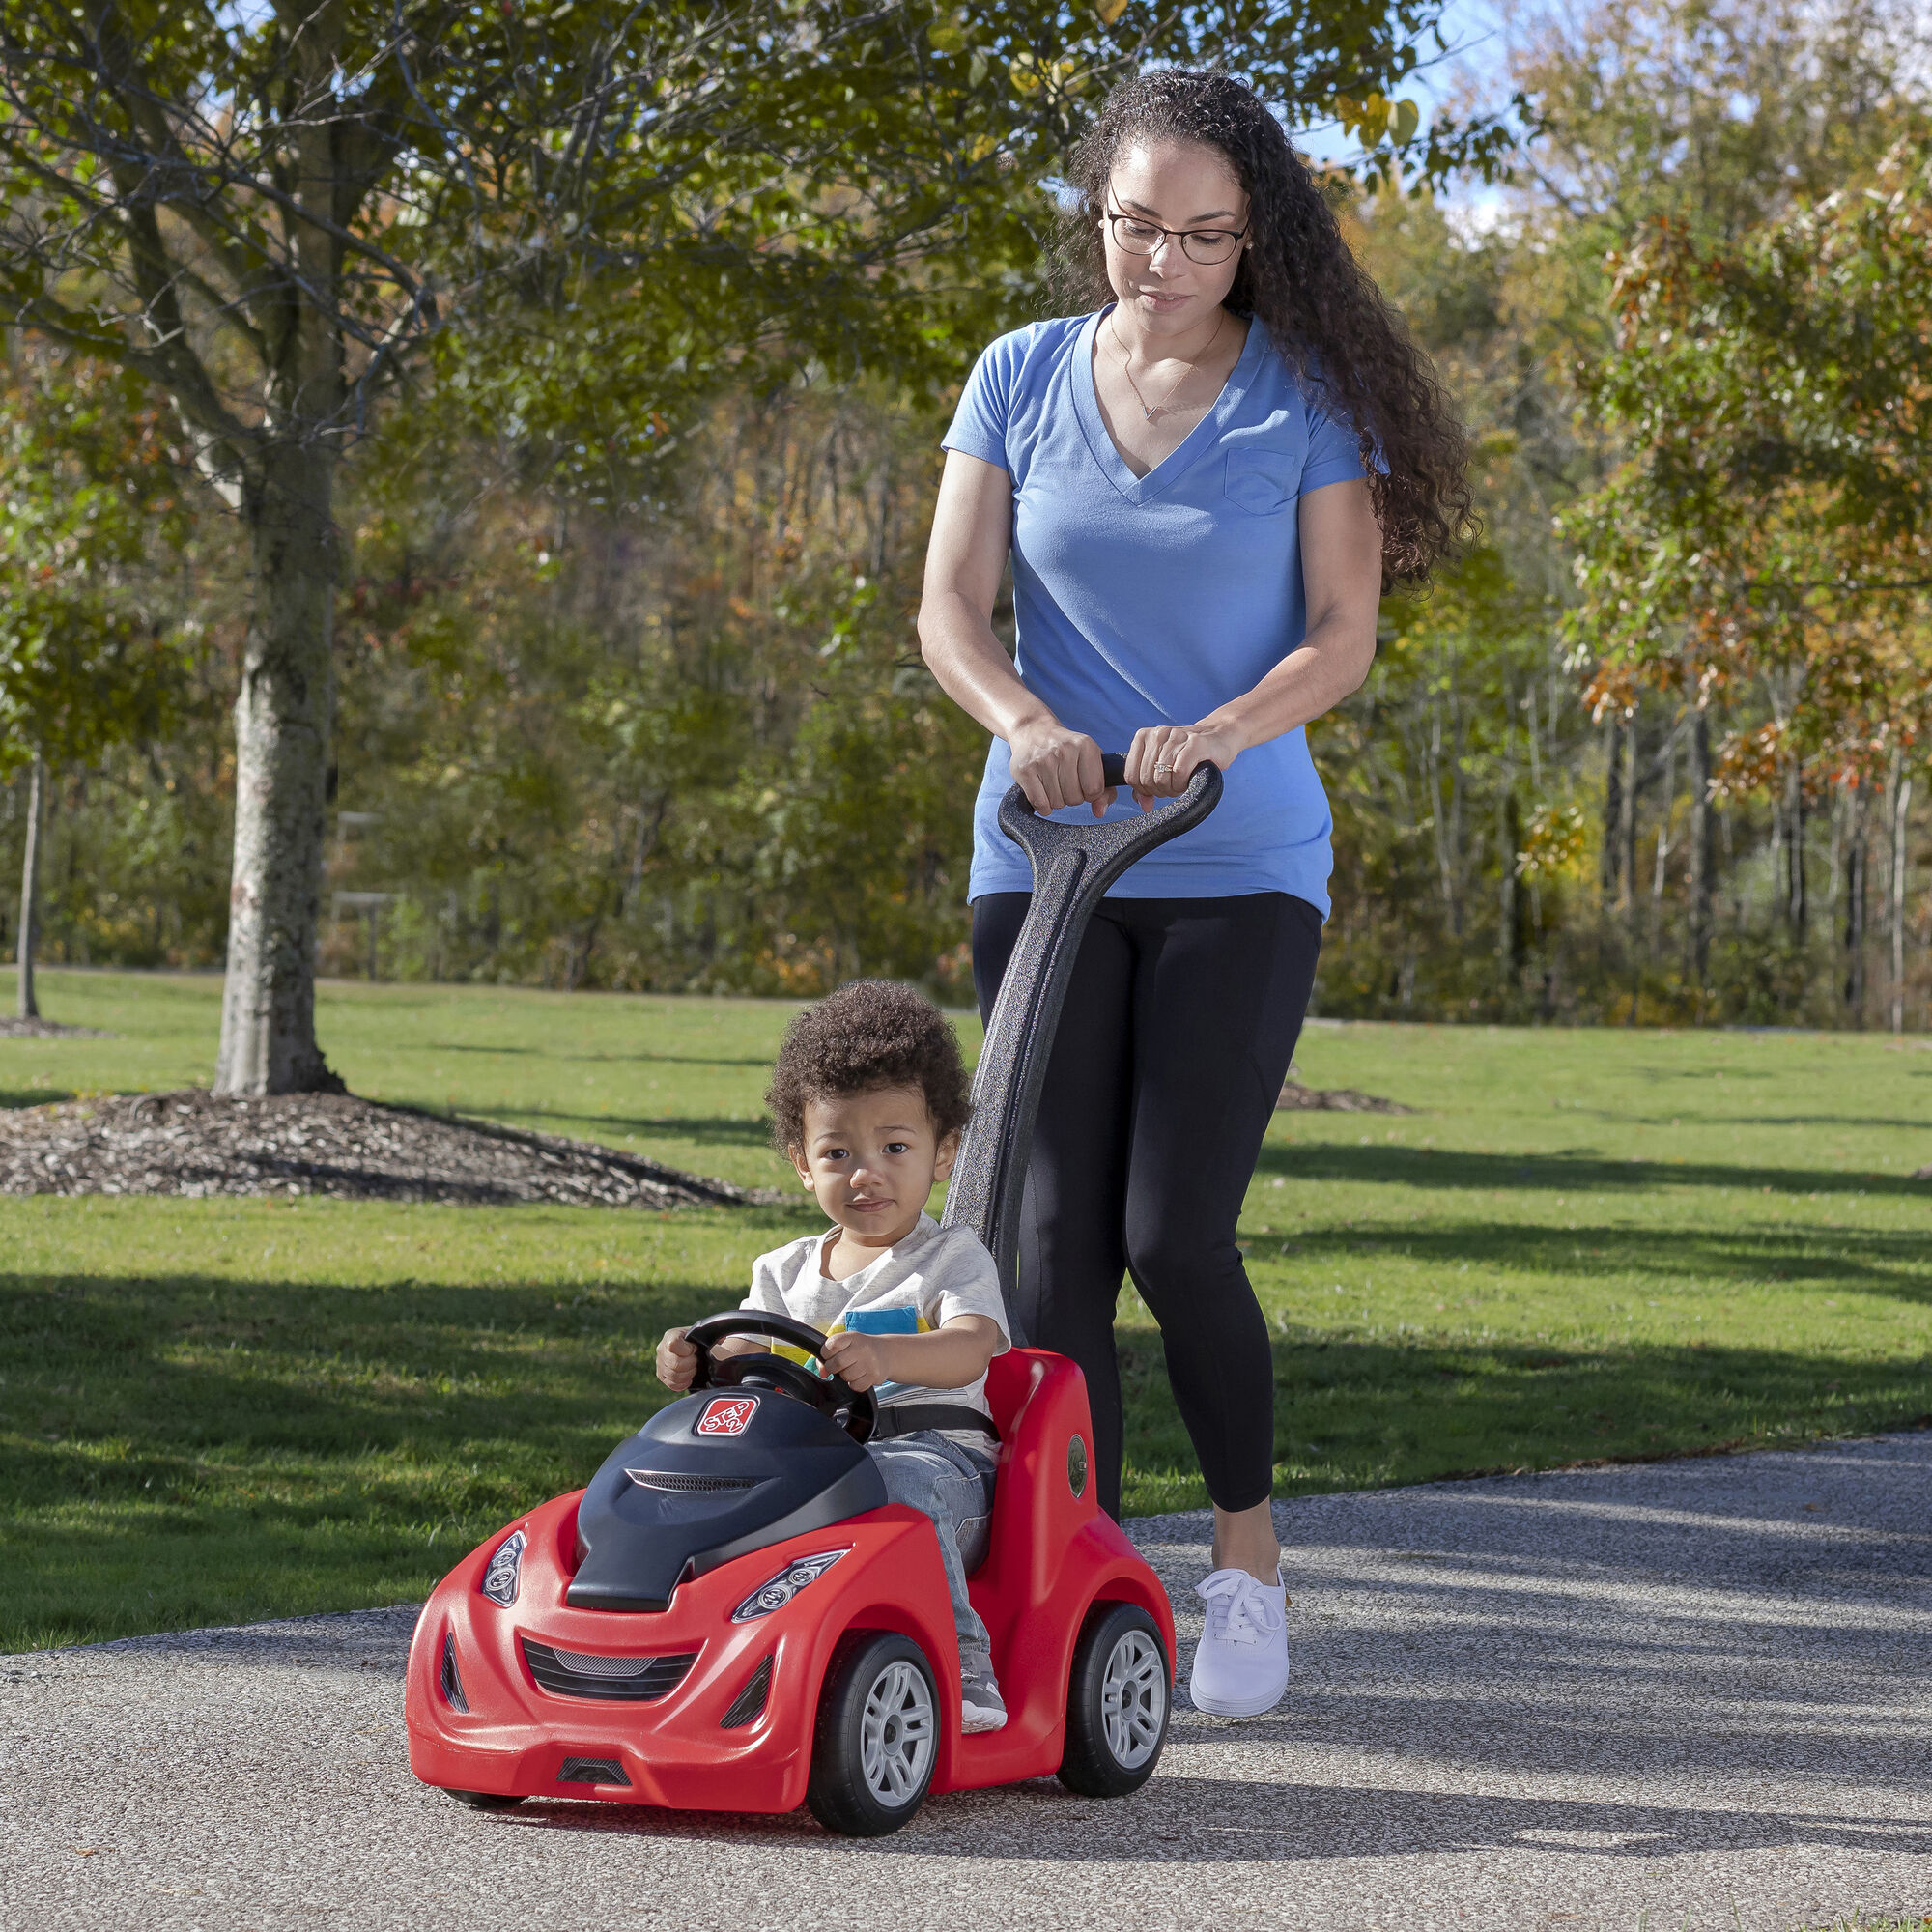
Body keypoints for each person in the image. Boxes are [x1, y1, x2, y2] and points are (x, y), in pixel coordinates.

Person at [917, 69, 1470, 1719]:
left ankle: (1246, 1566)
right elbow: (950, 608)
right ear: (1099, 208)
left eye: (1204, 236)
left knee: (1173, 1233)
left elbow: (1341, 631)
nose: (1162, 261)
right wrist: (1028, 721)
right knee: (1047, 1246)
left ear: (1258, 240)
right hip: (1046, 855)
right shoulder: (1017, 375)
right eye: (1135, 225)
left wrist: (1212, 738)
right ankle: (1082, 1582)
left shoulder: (1304, 395)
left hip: (1236, 863)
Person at [655, 980, 1011, 1734]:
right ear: (801, 1161)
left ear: (942, 1153)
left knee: (894, 1479)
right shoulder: (781, 1272)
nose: (865, 1172)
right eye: (837, 1151)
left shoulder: (950, 1257)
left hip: (938, 1467)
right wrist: (695, 1359)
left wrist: (889, 1353)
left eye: (894, 1147)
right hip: (809, 1472)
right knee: (685, 1482)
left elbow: (973, 1347)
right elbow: (744, 1355)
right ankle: (681, 1657)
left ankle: (964, 1660)